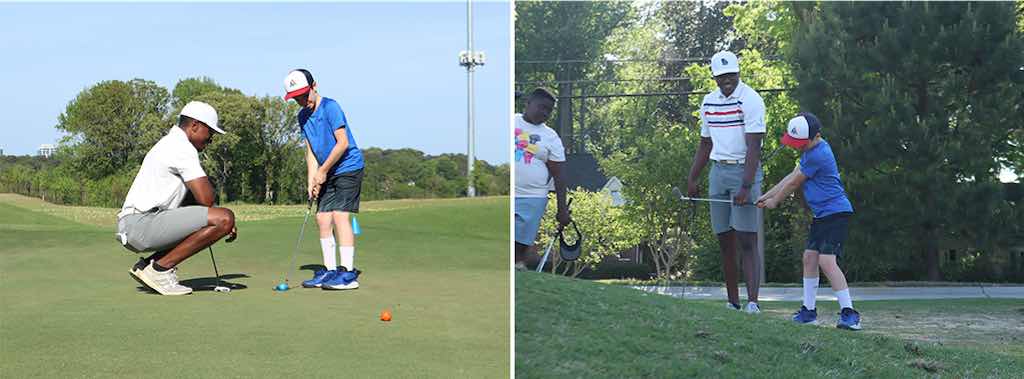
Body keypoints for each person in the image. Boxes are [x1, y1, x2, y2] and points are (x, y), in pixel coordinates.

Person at [117, 101, 237, 296]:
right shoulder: (182, 147)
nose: (210, 140)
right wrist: (222, 221)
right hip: (141, 224)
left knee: (213, 217)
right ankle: (160, 270)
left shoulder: (171, 143)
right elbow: (206, 199)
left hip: (136, 224)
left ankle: (147, 266)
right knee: (224, 218)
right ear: (195, 125)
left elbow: (195, 203)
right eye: (210, 134)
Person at [756, 112, 861, 330]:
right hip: (822, 215)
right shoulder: (808, 152)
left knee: (826, 261)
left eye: (800, 143)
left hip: (836, 213)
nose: (796, 147)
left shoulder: (817, 155)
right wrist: (767, 196)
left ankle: (850, 314)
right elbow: (790, 177)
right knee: (809, 258)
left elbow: (794, 184)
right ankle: (809, 312)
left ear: (816, 137)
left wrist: (775, 202)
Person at [686, 51, 766, 314]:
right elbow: (705, 143)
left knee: (747, 239)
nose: (726, 81)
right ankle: (733, 302)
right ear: (715, 77)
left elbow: (754, 146)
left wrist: (746, 186)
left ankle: (753, 302)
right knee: (724, 240)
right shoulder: (709, 102)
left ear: (738, 73)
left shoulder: (751, 100)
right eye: (721, 77)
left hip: (745, 170)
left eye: (730, 75)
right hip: (718, 172)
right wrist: (693, 177)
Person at [283, 69, 364, 290]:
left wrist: (323, 170)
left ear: (314, 86)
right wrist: (312, 179)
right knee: (322, 219)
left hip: (348, 167)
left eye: (303, 94)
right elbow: (310, 150)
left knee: (339, 216)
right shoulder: (302, 116)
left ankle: (347, 273)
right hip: (326, 172)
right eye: (296, 98)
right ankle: (330, 271)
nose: (301, 101)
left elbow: (342, 143)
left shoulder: (331, 107)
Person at [514, 88, 571, 270]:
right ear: (528, 103)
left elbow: (559, 175)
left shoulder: (551, 137)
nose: (545, 113)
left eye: (549, 110)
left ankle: (517, 270)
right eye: (541, 107)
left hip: (533, 196)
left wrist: (562, 210)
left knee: (521, 243)